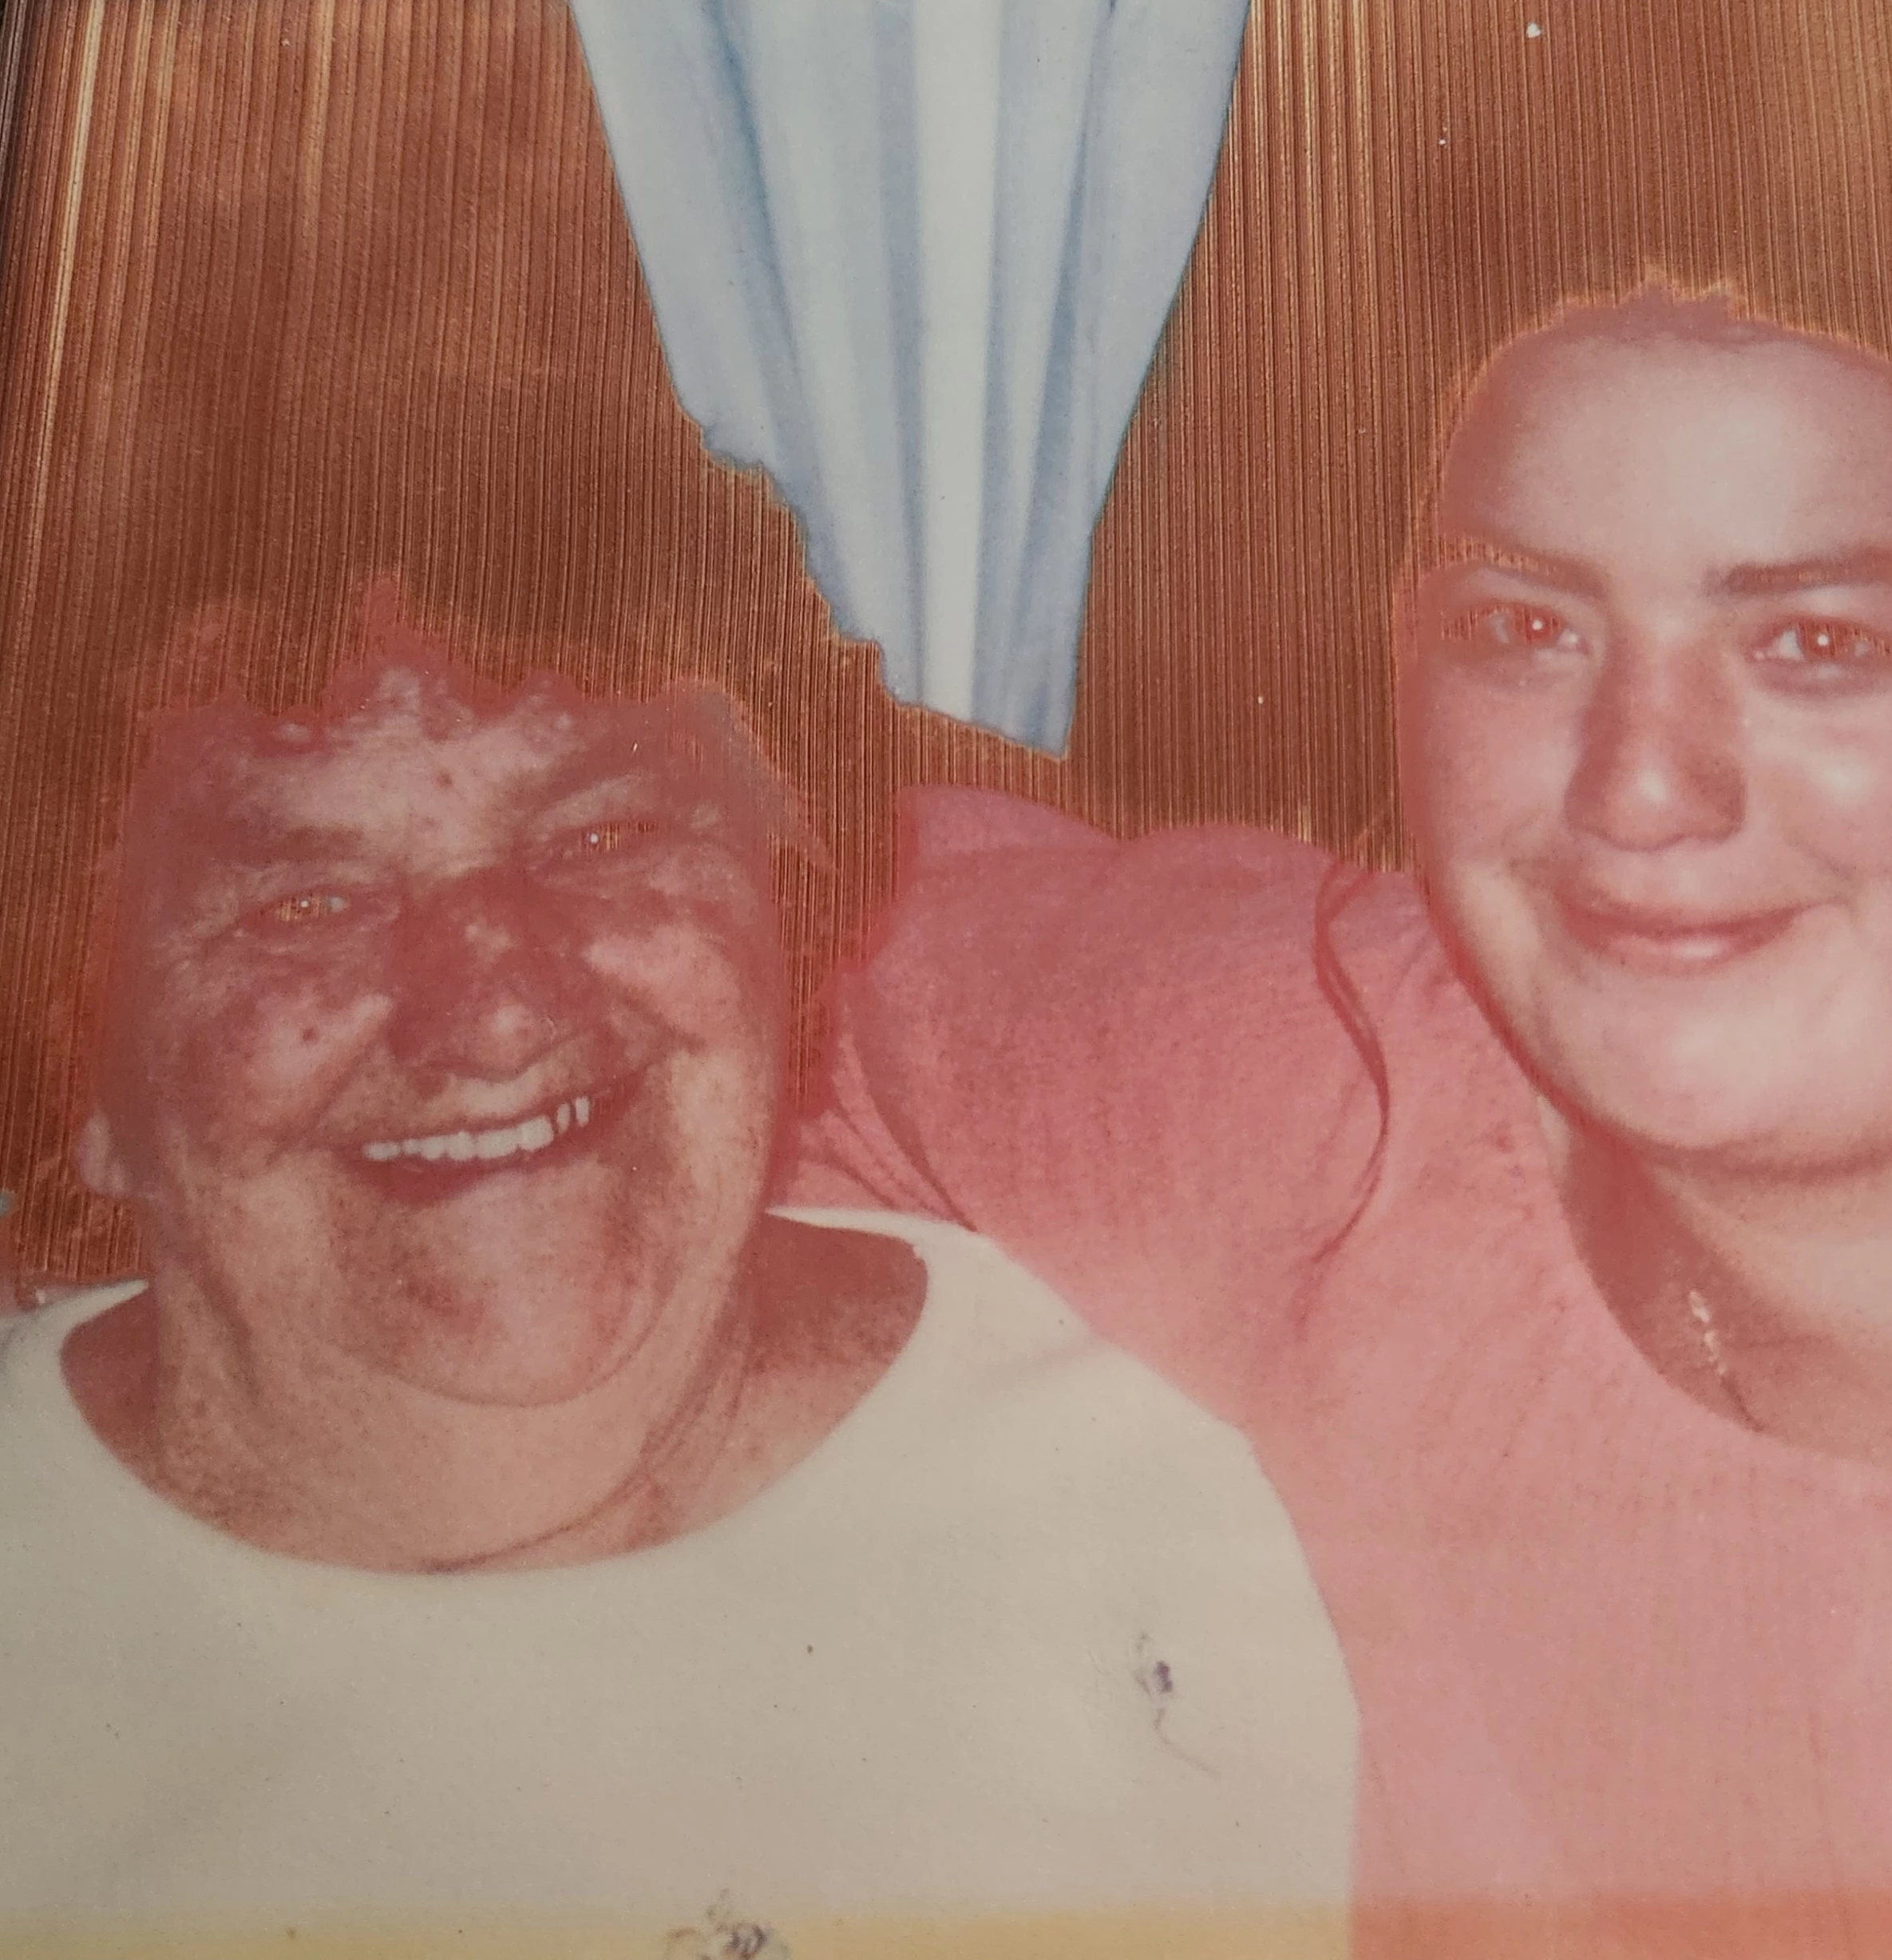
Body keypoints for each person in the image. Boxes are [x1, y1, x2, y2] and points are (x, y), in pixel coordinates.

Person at [802, 283, 1892, 1951]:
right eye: (1523, 629)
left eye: (1816, 644)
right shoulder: (1353, 1097)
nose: (1639, 790)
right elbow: (773, 945)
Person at [0, 599, 1355, 1958]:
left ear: (783, 905)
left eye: (600, 839)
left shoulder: (1175, 1500)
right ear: (84, 1065)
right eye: (308, 904)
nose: (498, 1010)